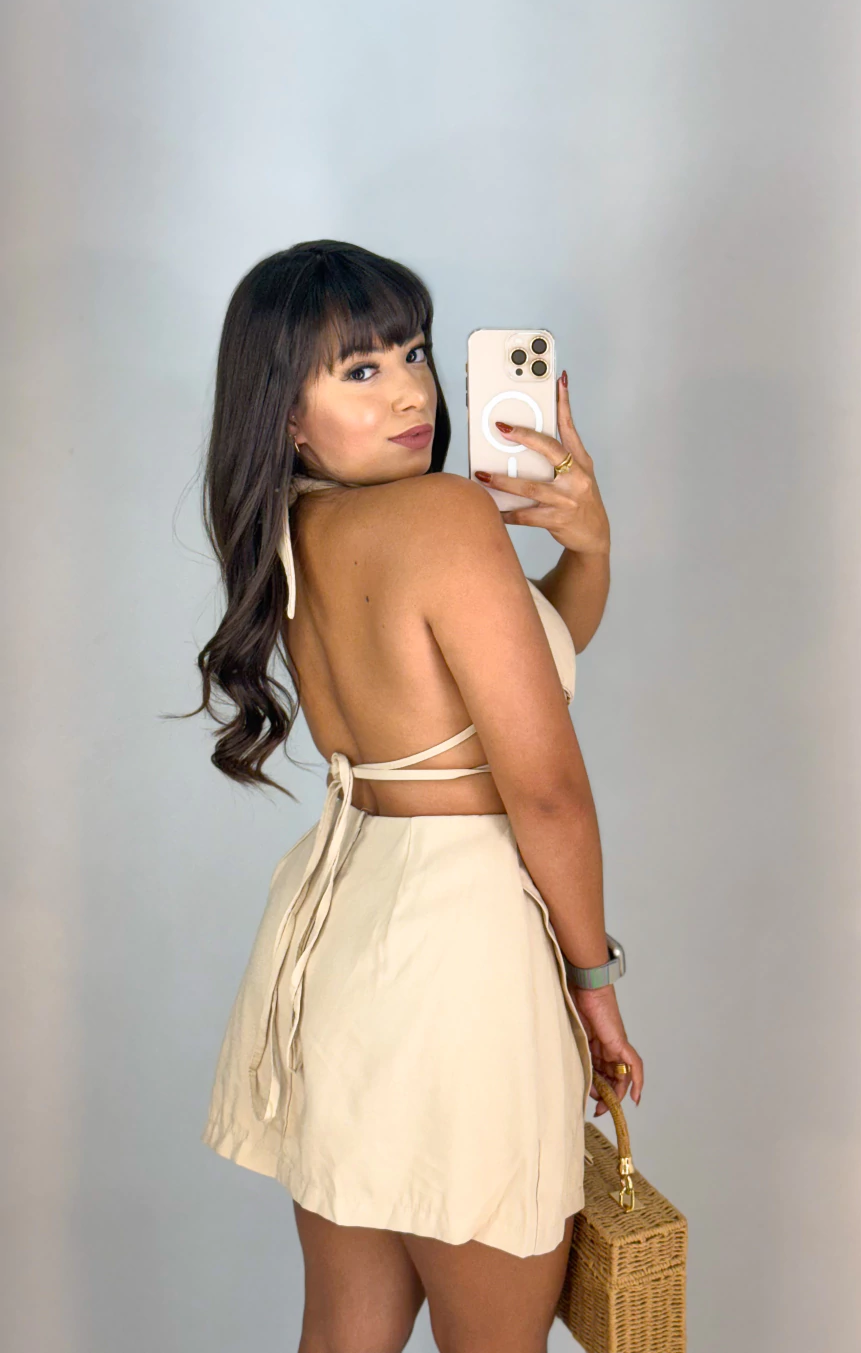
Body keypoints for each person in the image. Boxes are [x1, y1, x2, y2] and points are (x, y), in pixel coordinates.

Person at [191, 239, 644, 1353]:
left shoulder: (298, 528)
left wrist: (588, 547)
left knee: (346, 1331)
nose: (410, 391)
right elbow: (546, 792)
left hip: (343, 944)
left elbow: (522, 663)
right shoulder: (442, 515)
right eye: (360, 369)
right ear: (286, 415)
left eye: (413, 353)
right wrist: (593, 982)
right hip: (460, 959)